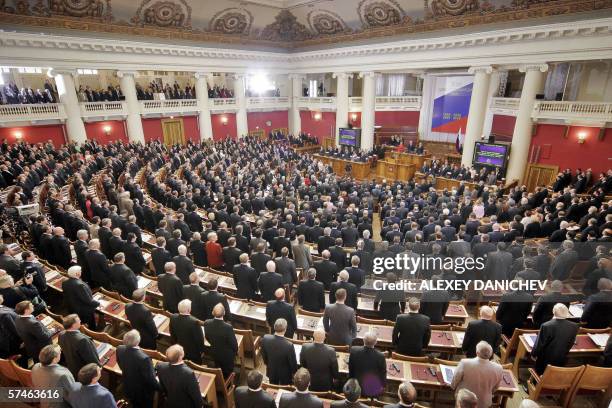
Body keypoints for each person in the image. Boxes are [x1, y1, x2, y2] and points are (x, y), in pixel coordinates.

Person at [450, 341, 503, 408]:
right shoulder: (499, 368)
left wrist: (452, 387)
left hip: (464, 401)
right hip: (484, 402)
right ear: (491, 354)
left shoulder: (465, 363)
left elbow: (455, 379)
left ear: (477, 352)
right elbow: (496, 387)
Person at [116, 330, 160, 408]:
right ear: (138, 341)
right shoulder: (144, 359)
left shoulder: (120, 348)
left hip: (127, 385)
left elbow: (119, 363)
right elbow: (150, 380)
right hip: (142, 392)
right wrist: (161, 388)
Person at [532, 303, 579, 374]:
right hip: (561, 359)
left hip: (543, 363)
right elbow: (570, 343)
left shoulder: (546, 326)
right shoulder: (574, 326)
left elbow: (540, 344)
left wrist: (533, 354)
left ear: (553, 311)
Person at [57, 314, 100, 378]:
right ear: (73, 325)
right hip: (84, 372)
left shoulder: (61, 334)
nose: (80, 321)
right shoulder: (82, 340)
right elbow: (92, 360)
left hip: (71, 367)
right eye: (78, 320)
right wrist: (99, 367)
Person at [203, 303, 238, 378]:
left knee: (218, 366)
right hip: (227, 355)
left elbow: (207, 337)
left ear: (213, 312)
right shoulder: (228, 327)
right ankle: (228, 384)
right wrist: (235, 353)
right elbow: (234, 344)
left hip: (214, 351)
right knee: (228, 372)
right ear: (224, 313)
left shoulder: (207, 323)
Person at [348, 332, 387, 398]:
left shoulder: (354, 350)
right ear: (375, 342)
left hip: (356, 385)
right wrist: (383, 386)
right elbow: (383, 373)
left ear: (363, 340)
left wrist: (351, 381)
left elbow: (350, 368)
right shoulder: (380, 356)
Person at [260, 318, 297, 385]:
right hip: (285, 376)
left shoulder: (265, 338)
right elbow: (292, 363)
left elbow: (263, 354)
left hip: (271, 371)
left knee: (272, 386)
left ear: (274, 327)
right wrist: (294, 373)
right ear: (285, 329)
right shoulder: (289, 345)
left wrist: (267, 363)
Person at [169, 299, 205, 364]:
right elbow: (199, 339)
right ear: (189, 310)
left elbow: (172, 333)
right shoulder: (194, 322)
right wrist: (201, 351)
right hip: (193, 352)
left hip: (179, 349)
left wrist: (175, 345)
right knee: (195, 366)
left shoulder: (173, 317)